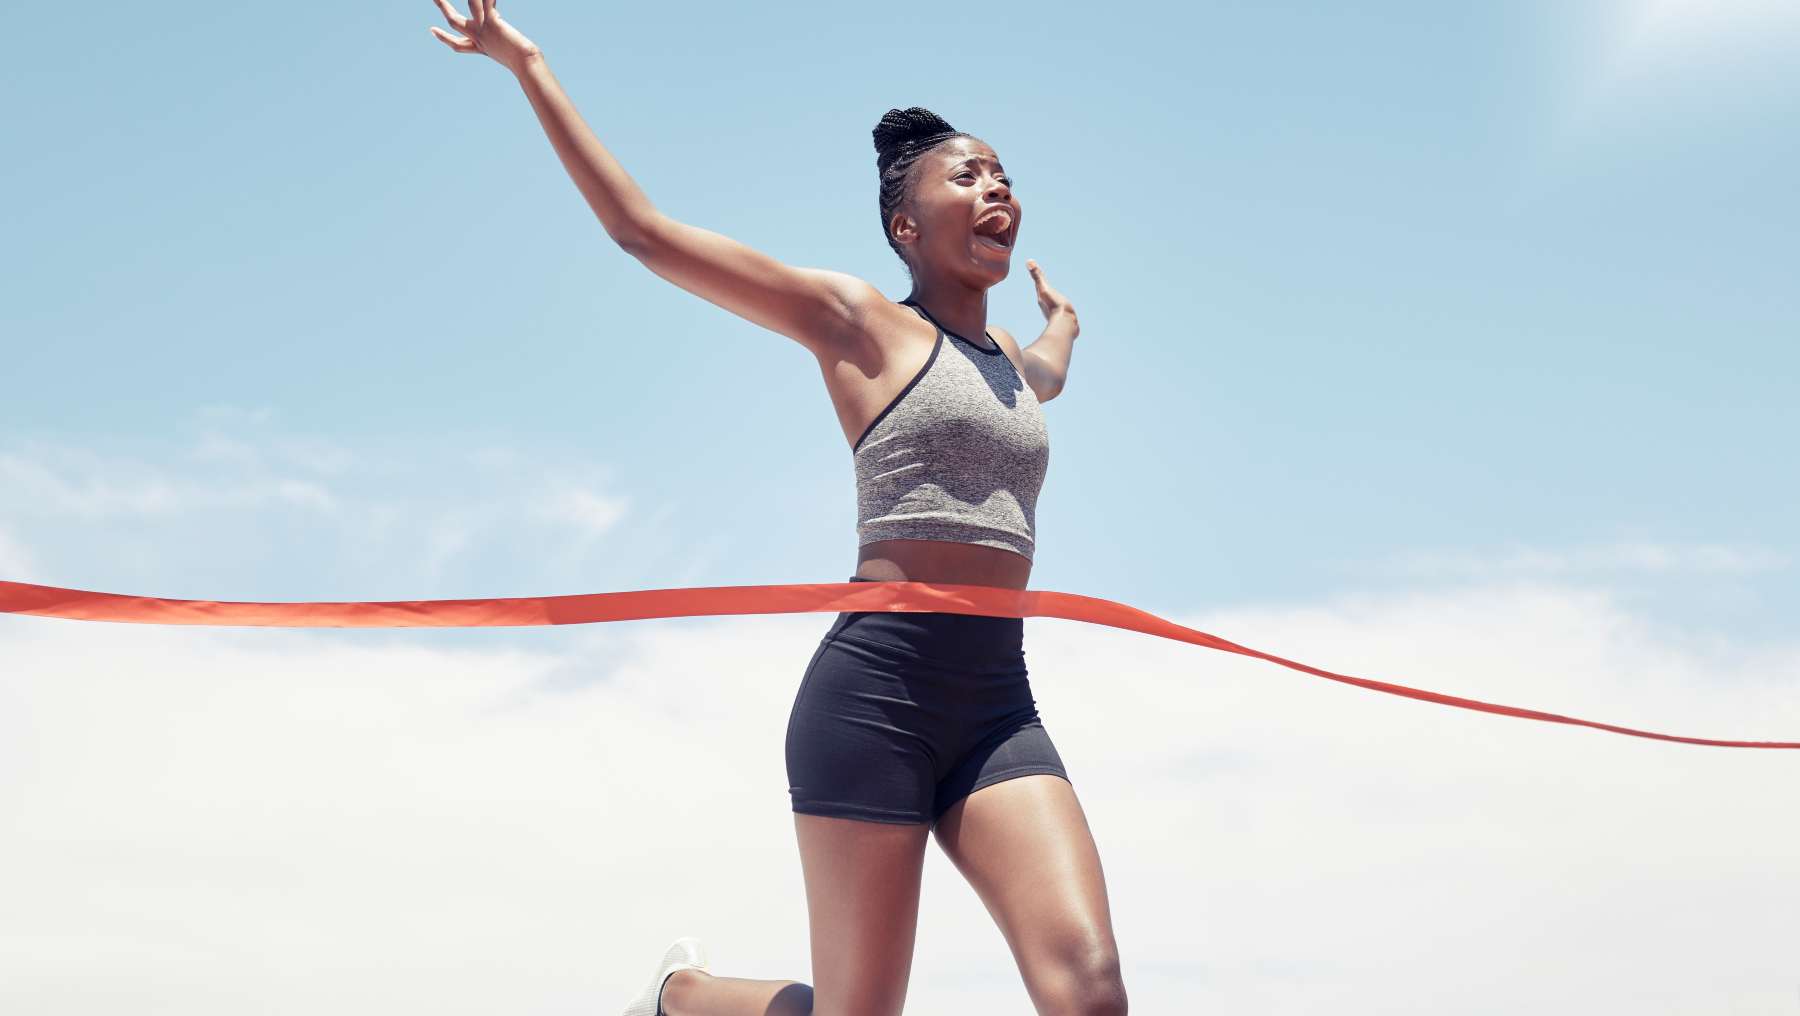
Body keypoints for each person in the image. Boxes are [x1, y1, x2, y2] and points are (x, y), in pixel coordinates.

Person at [428, 4, 1120, 1014]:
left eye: (1004, 176)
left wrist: (1062, 324)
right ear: (906, 227)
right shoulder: (859, 324)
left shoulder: (1010, 362)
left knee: (1091, 990)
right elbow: (644, 233)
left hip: (995, 706)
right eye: (966, 176)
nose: (996, 188)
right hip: (876, 699)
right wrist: (525, 63)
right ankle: (683, 995)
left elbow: (1046, 375)